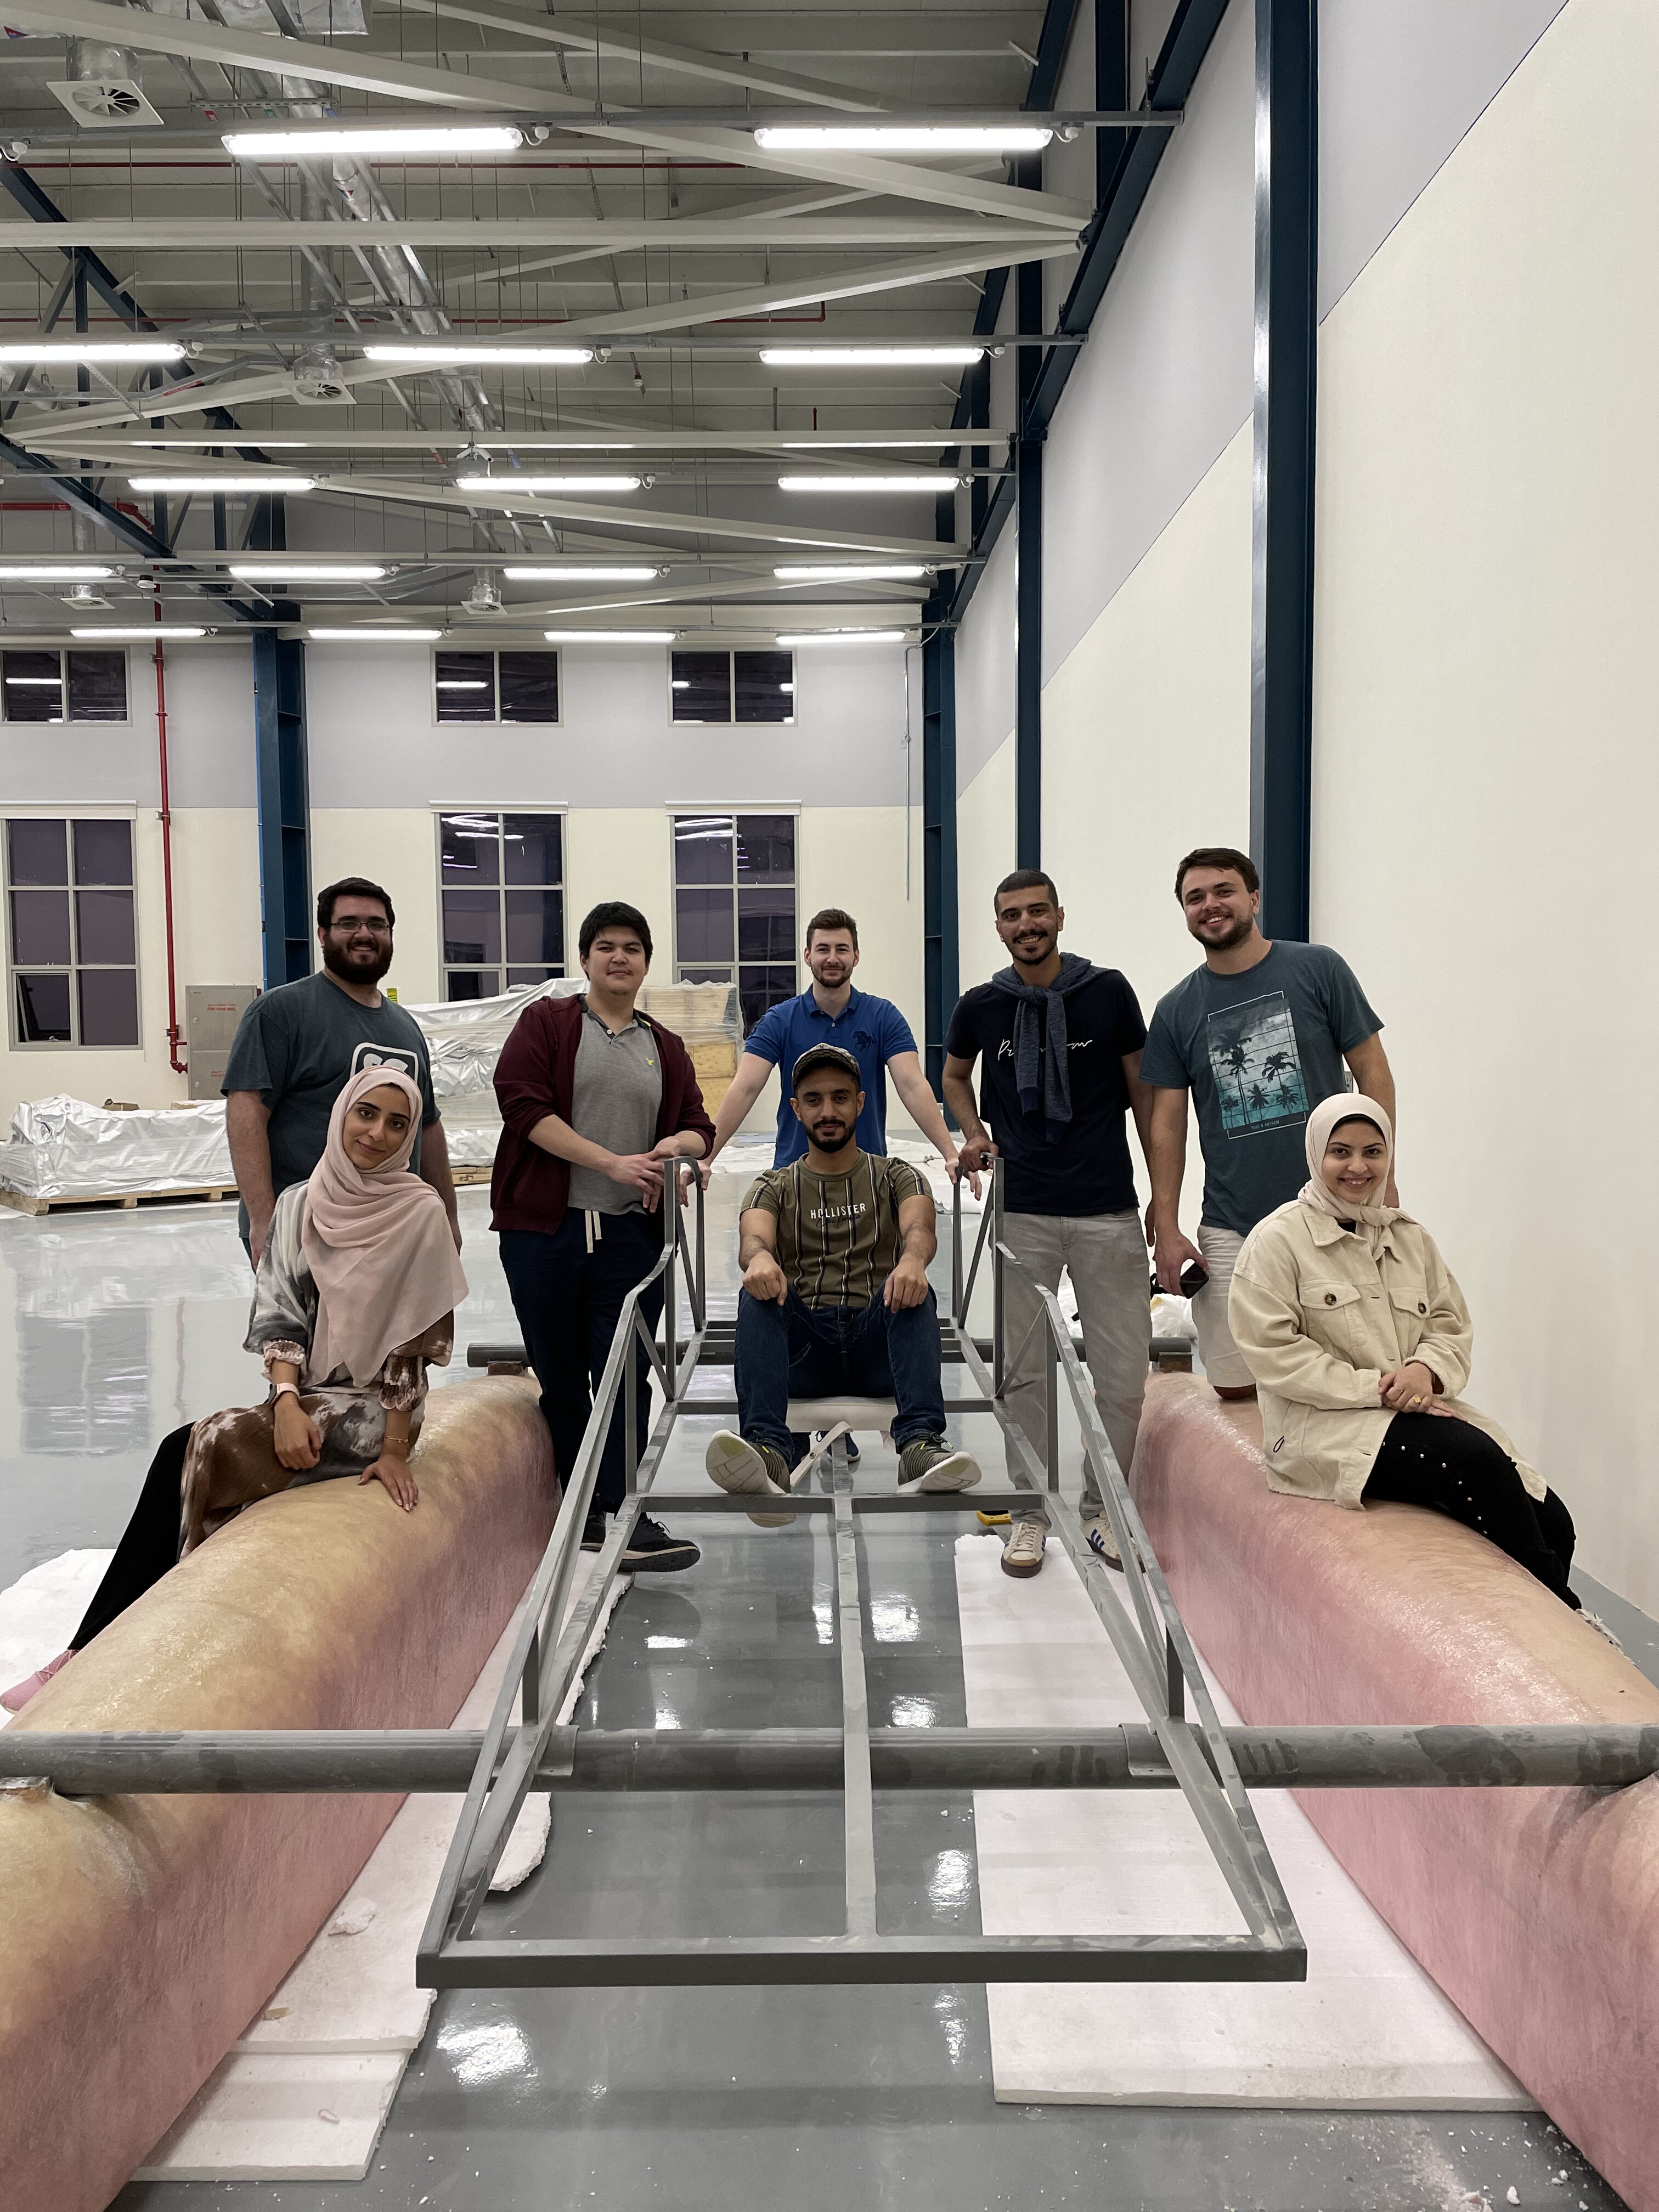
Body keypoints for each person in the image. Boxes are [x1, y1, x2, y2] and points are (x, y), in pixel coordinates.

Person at [2, 1069, 467, 1712]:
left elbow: (414, 1347)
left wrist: (393, 1450)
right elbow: (281, 1316)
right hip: (309, 1396)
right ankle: (114, 1641)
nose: (377, 1134)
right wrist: (284, 1403)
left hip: (376, 1411)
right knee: (190, 1458)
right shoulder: (301, 1203)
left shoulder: (418, 1213)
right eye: (366, 1114)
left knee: (195, 1449)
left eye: (397, 1123)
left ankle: (89, 1650)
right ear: (341, 1115)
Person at [1226, 1094, 1585, 1612]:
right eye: (1340, 1152)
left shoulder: (1409, 1238)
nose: (1358, 1166)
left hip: (1411, 1409)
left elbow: (1449, 1324)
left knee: (1556, 1522)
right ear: (1315, 1154)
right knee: (1472, 1462)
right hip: (1319, 1428)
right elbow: (1274, 1353)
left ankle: (1541, 1625)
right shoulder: (1276, 1242)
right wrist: (1378, 1389)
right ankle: (1567, 1616)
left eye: (1373, 1152)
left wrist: (1425, 1370)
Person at [943, 870, 1153, 1580]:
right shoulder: (982, 1005)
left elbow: (1144, 1095)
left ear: (1060, 916)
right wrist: (974, 1132)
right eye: (1012, 915)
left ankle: (1104, 1510)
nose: (1026, 924)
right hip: (1023, 1211)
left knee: (1123, 1379)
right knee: (1024, 1376)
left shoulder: (1109, 993)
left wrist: (1163, 1200)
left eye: (1037, 911)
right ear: (999, 926)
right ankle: (1029, 1512)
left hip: (1108, 1211)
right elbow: (954, 1075)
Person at [491, 900, 712, 1574]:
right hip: (545, 1233)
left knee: (624, 1376)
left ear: (646, 963)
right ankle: (583, 1512)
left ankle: (624, 1513)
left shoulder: (663, 1047)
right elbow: (522, 1104)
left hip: (629, 1237)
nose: (620, 958)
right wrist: (611, 1163)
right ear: (585, 959)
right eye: (607, 946)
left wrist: (674, 1148)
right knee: (562, 1378)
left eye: (633, 948)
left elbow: (699, 1126)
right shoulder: (548, 1024)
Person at [1141, 847, 1395, 1406]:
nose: (1211, 905)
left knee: (1350, 1377)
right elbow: (1167, 1126)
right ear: (1185, 913)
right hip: (1232, 1226)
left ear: (1253, 899)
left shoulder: (1318, 969)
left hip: (1332, 1214)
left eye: (1224, 891)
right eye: (1195, 897)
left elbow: (1373, 1073)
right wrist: (1168, 1226)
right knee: (1234, 1386)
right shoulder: (1175, 1010)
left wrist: (1385, 1179)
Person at [704, 1045, 980, 1519]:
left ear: (860, 1103)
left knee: (915, 1290)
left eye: (839, 1097)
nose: (827, 1111)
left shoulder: (897, 1176)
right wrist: (760, 1259)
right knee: (756, 1294)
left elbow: (920, 1228)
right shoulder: (774, 1185)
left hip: (877, 1351)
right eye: (814, 1100)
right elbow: (753, 1239)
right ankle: (769, 1451)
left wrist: (913, 1260)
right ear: (796, 1109)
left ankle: (919, 1445)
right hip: (804, 1355)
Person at [224, 876, 458, 1269]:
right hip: (306, 1228)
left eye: (377, 925)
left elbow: (428, 1127)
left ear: (391, 935)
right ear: (323, 934)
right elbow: (246, 1112)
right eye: (349, 923)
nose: (364, 934)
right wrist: (264, 1220)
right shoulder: (282, 1012)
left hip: (391, 1227)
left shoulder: (406, 1027)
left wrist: (447, 1216)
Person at [706, 907, 970, 1182]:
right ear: (807, 956)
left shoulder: (883, 1017)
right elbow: (745, 1088)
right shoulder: (779, 1021)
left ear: (856, 956)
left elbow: (912, 1086)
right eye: (823, 949)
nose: (832, 958)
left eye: (841, 949)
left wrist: (950, 1153)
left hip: (867, 1177)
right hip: (795, 1177)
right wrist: (706, 1158)